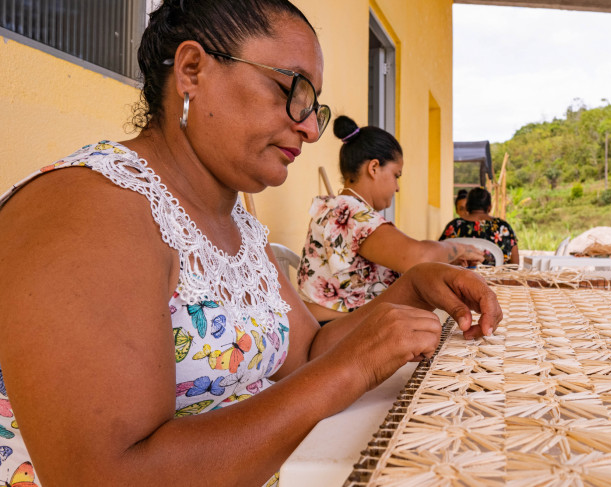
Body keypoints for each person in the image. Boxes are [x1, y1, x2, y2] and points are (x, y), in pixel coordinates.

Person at [0, 2, 501, 486]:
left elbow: (305, 352)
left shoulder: (232, 218)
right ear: (193, 70)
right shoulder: (89, 208)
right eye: (293, 90)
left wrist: (412, 288)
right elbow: (108, 476)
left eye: (313, 107)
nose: (308, 128)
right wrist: (352, 369)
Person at [297, 116, 485, 322]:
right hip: (332, 328)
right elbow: (416, 257)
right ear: (374, 168)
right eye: (397, 175)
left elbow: (405, 261)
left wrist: (445, 259)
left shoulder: (339, 207)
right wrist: (458, 248)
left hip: (336, 323)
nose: (397, 187)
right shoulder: (349, 211)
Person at [439, 187, 520, 265]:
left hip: (459, 278)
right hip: (495, 279)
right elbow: (515, 263)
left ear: (467, 207)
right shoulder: (503, 227)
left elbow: (439, 255)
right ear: (489, 207)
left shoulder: (454, 226)